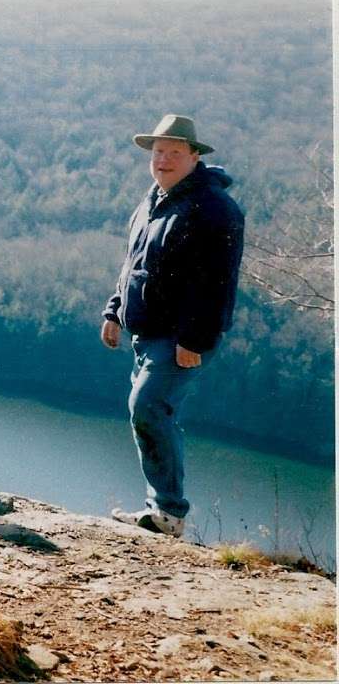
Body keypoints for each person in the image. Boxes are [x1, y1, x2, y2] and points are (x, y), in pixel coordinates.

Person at [101, 114, 244, 537]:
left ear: (195, 156)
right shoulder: (152, 201)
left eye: (174, 152)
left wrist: (194, 338)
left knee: (148, 407)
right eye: (158, 152)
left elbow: (217, 281)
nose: (162, 160)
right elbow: (133, 264)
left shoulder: (215, 209)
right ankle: (160, 510)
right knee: (147, 412)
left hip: (181, 338)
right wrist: (114, 312)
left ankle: (167, 512)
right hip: (146, 332)